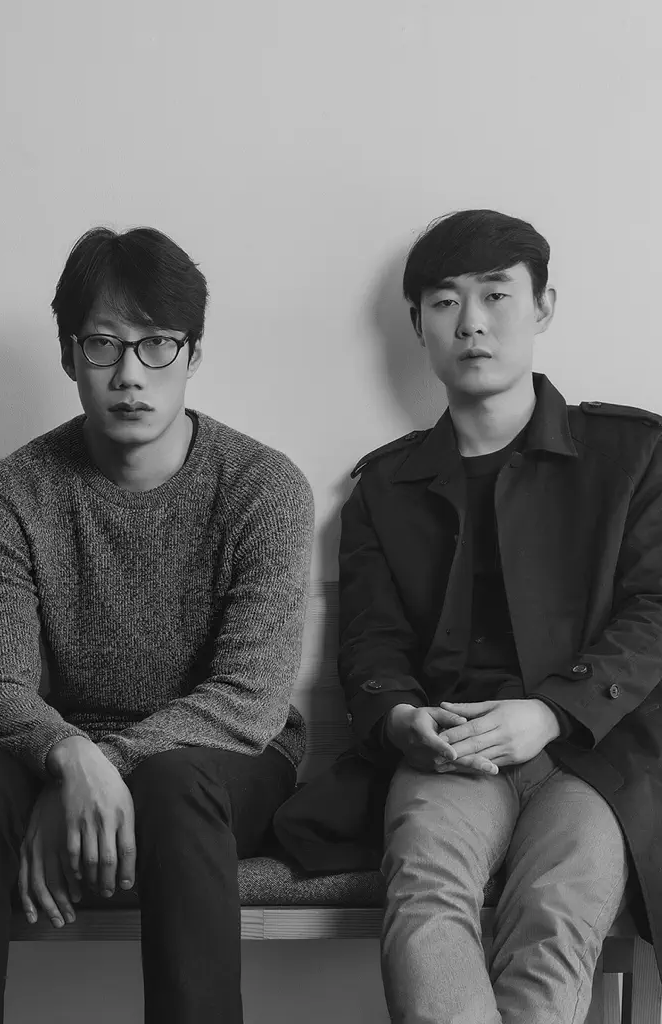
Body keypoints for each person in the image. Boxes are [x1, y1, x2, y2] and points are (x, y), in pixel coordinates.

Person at [0, 226, 315, 1024]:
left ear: (193, 355)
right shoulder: (12, 493)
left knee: (173, 784)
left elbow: (249, 699)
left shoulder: (264, 487)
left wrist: (99, 767)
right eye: (103, 345)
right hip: (63, 745)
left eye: (157, 344)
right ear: (69, 356)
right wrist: (67, 757)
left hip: (224, 761)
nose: (130, 374)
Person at [281, 208, 662, 1024]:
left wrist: (551, 713)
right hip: (448, 748)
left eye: (496, 295)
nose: (473, 322)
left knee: (556, 912)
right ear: (419, 322)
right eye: (447, 301)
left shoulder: (632, 456)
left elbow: (655, 610)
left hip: (594, 755)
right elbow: (372, 644)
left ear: (543, 307)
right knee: (424, 892)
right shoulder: (385, 489)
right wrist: (401, 720)